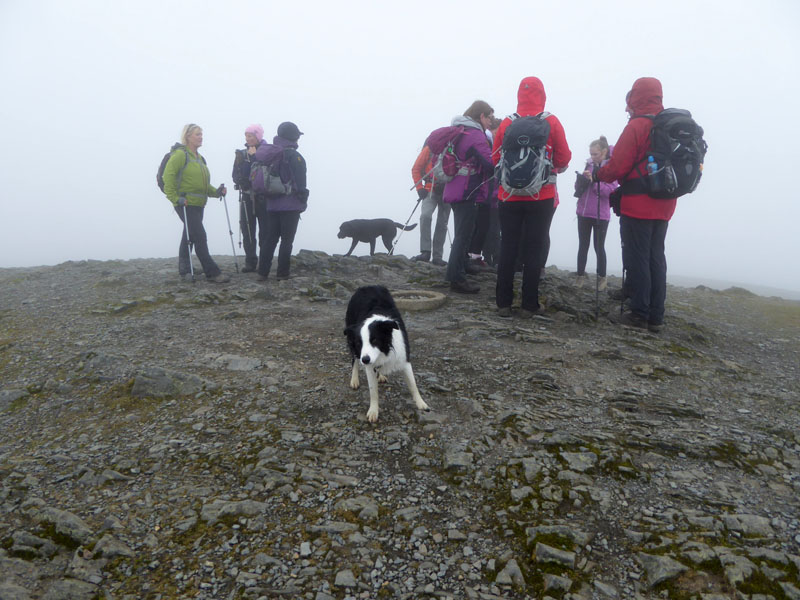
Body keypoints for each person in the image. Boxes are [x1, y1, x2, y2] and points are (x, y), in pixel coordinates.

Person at [595, 77, 675, 333]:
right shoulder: (670, 126)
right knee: (655, 255)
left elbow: (619, 166)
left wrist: (600, 174)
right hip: (664, 203)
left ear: (636, 98)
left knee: (637, 255)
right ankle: (656, 315)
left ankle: (639, 312)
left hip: (638, 202)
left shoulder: (638, 126)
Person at [493, 77, 571, 317]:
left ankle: (503, 303)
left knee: (508, 245)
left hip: (508, 196)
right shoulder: (551, 121)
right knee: (534, 248)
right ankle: (529, 305)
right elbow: (563, 158)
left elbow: (495, 158)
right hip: (542, 195)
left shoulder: (507, 122)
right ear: (542, 94)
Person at [162, 123, 230, 283]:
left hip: (198, 204)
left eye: (201, 134)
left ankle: (185, 269)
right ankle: (212, 273)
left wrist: (216, 192)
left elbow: (204, 186)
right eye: (197, 134)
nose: (201, 137)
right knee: (200, 236)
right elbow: (168, 177)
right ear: (188, 136)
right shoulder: (180, 155)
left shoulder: (199, 158)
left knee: (190, 234)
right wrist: (174, 198)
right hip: (184, 203)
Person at [443, 100, 495, 294]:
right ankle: (456, 278)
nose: (491, 122)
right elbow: (490, 164)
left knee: (462, 232)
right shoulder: (475, 135)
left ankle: (461, 266)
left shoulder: (460, 130)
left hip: (455, 187)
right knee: (463, 235)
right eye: (489, 117)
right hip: (468, 189)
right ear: (481, 116)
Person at [253, 121, 309, 281]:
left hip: (271, 204)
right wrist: (303, 199)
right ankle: (282, 273)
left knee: (270, 238)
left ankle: (262, 273)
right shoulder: (295, 156)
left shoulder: (271, 154)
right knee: (286, 240)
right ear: (293, 137)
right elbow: (300, 183)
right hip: (290, 205)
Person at [576, 136, 617, 291]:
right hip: (583, 212)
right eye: (591, 154)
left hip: (601, 214)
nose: (592, 157)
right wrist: (581, 180)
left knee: (598, 247)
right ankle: (580, 276)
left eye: (595, 154)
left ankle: (602, 278)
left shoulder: (611, 168)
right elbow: (578, 188)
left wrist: (593, 181)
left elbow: (609, 192)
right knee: (583, 245)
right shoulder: (589, 165)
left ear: (604, 152)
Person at [231, 124, 267, 273]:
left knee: (265, 231)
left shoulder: (266, 152)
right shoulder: (240, 154)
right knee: (247, 230)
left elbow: (265, 171)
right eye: (246, 135)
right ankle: (251, 261)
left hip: (263, 197)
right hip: (246, 196)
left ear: (258, 136)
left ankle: (264, 261)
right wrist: (239, 180)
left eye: (251, 135)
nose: (248, 138)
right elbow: (235, 174)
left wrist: (254, 157)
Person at [411, 145, 450, 266]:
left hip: (447, 190)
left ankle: (437, 255)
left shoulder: (453, 149)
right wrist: (419, 188)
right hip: (430, 189)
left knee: (442, 223)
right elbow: (416, 168)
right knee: (426, 216)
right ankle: (426, 252)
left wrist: (419, 188)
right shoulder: (430, 149)